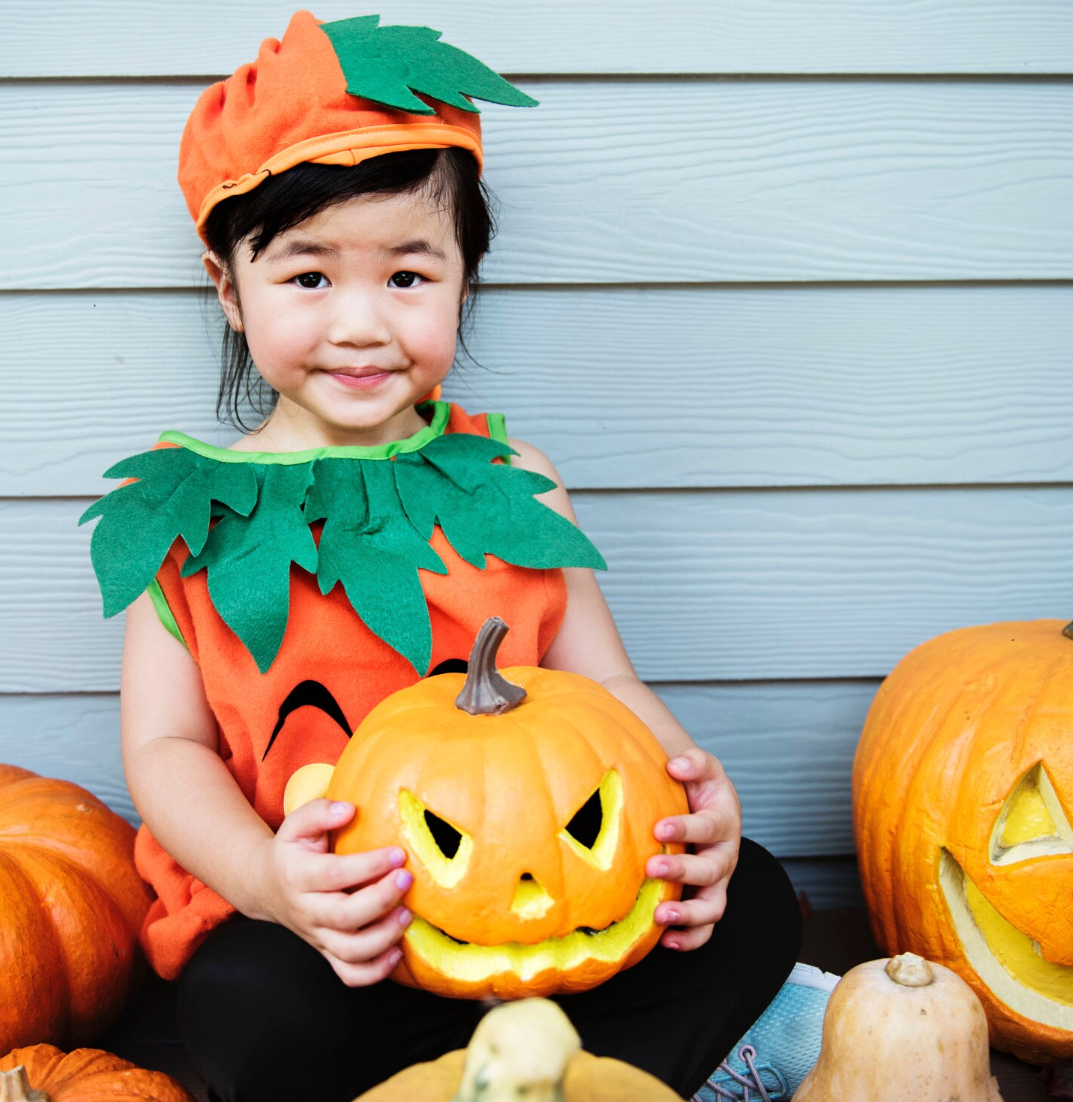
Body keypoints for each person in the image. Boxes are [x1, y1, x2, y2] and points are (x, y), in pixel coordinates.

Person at [82, 11, 834, 1100]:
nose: (360, 325)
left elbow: (605, 683)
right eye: (307, 278)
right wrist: (267, 881)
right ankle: (598, 1071)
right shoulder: (186, 514)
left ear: (464, 277)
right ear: (225, 286)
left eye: (406, 276)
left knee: (753, 893)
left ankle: (537, 1074)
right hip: (339, 931)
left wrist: (696, 796)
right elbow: (163, 750)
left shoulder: (508, 480)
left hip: (541, 901)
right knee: (246, 1007)